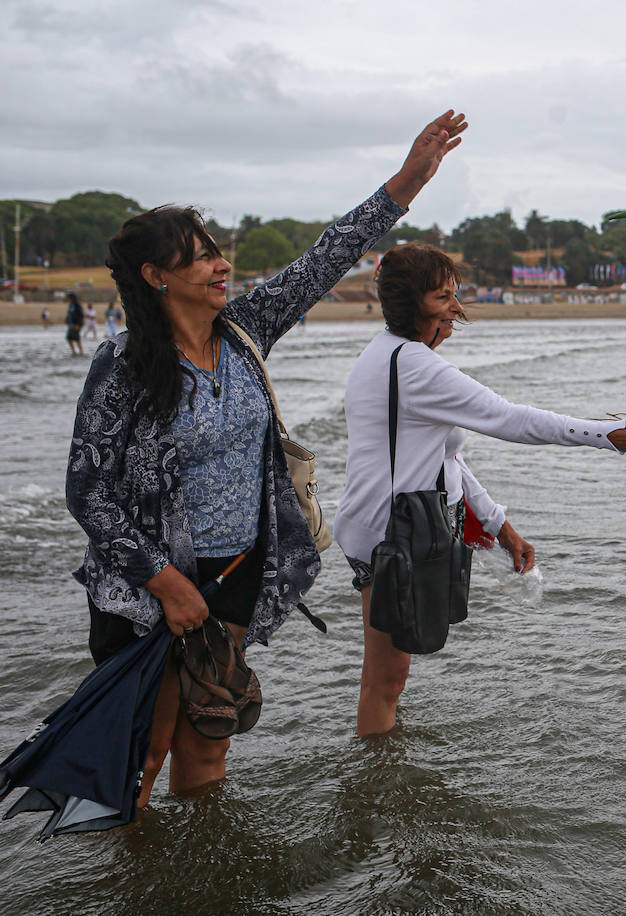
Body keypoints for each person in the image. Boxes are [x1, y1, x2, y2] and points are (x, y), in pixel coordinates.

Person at [66, 109, 469, 805]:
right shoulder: (123, 364)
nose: (222, 264)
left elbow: (324, 258)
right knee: (143, 755)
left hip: (235, 578)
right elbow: (88, 491)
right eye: (202, 256)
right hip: (147, 592)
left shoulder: (246, 331)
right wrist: (165, 582)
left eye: (218, 251)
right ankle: (132, 881)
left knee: (208, 741)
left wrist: (405, 185)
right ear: (157, 275)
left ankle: (199, 879)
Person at [334, 244, 626, 737]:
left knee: (389, 674)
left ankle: (381, 769)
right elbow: (512, 419)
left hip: (382, 527)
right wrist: (609, 434)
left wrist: (499, 526)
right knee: (386, 677)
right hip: (392, 536)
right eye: (443, 296)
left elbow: (444, 458)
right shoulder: (417, 367)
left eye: (454, 294)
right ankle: (372, 784)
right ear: (411, 302)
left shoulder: (388, 353)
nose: (455, 306)